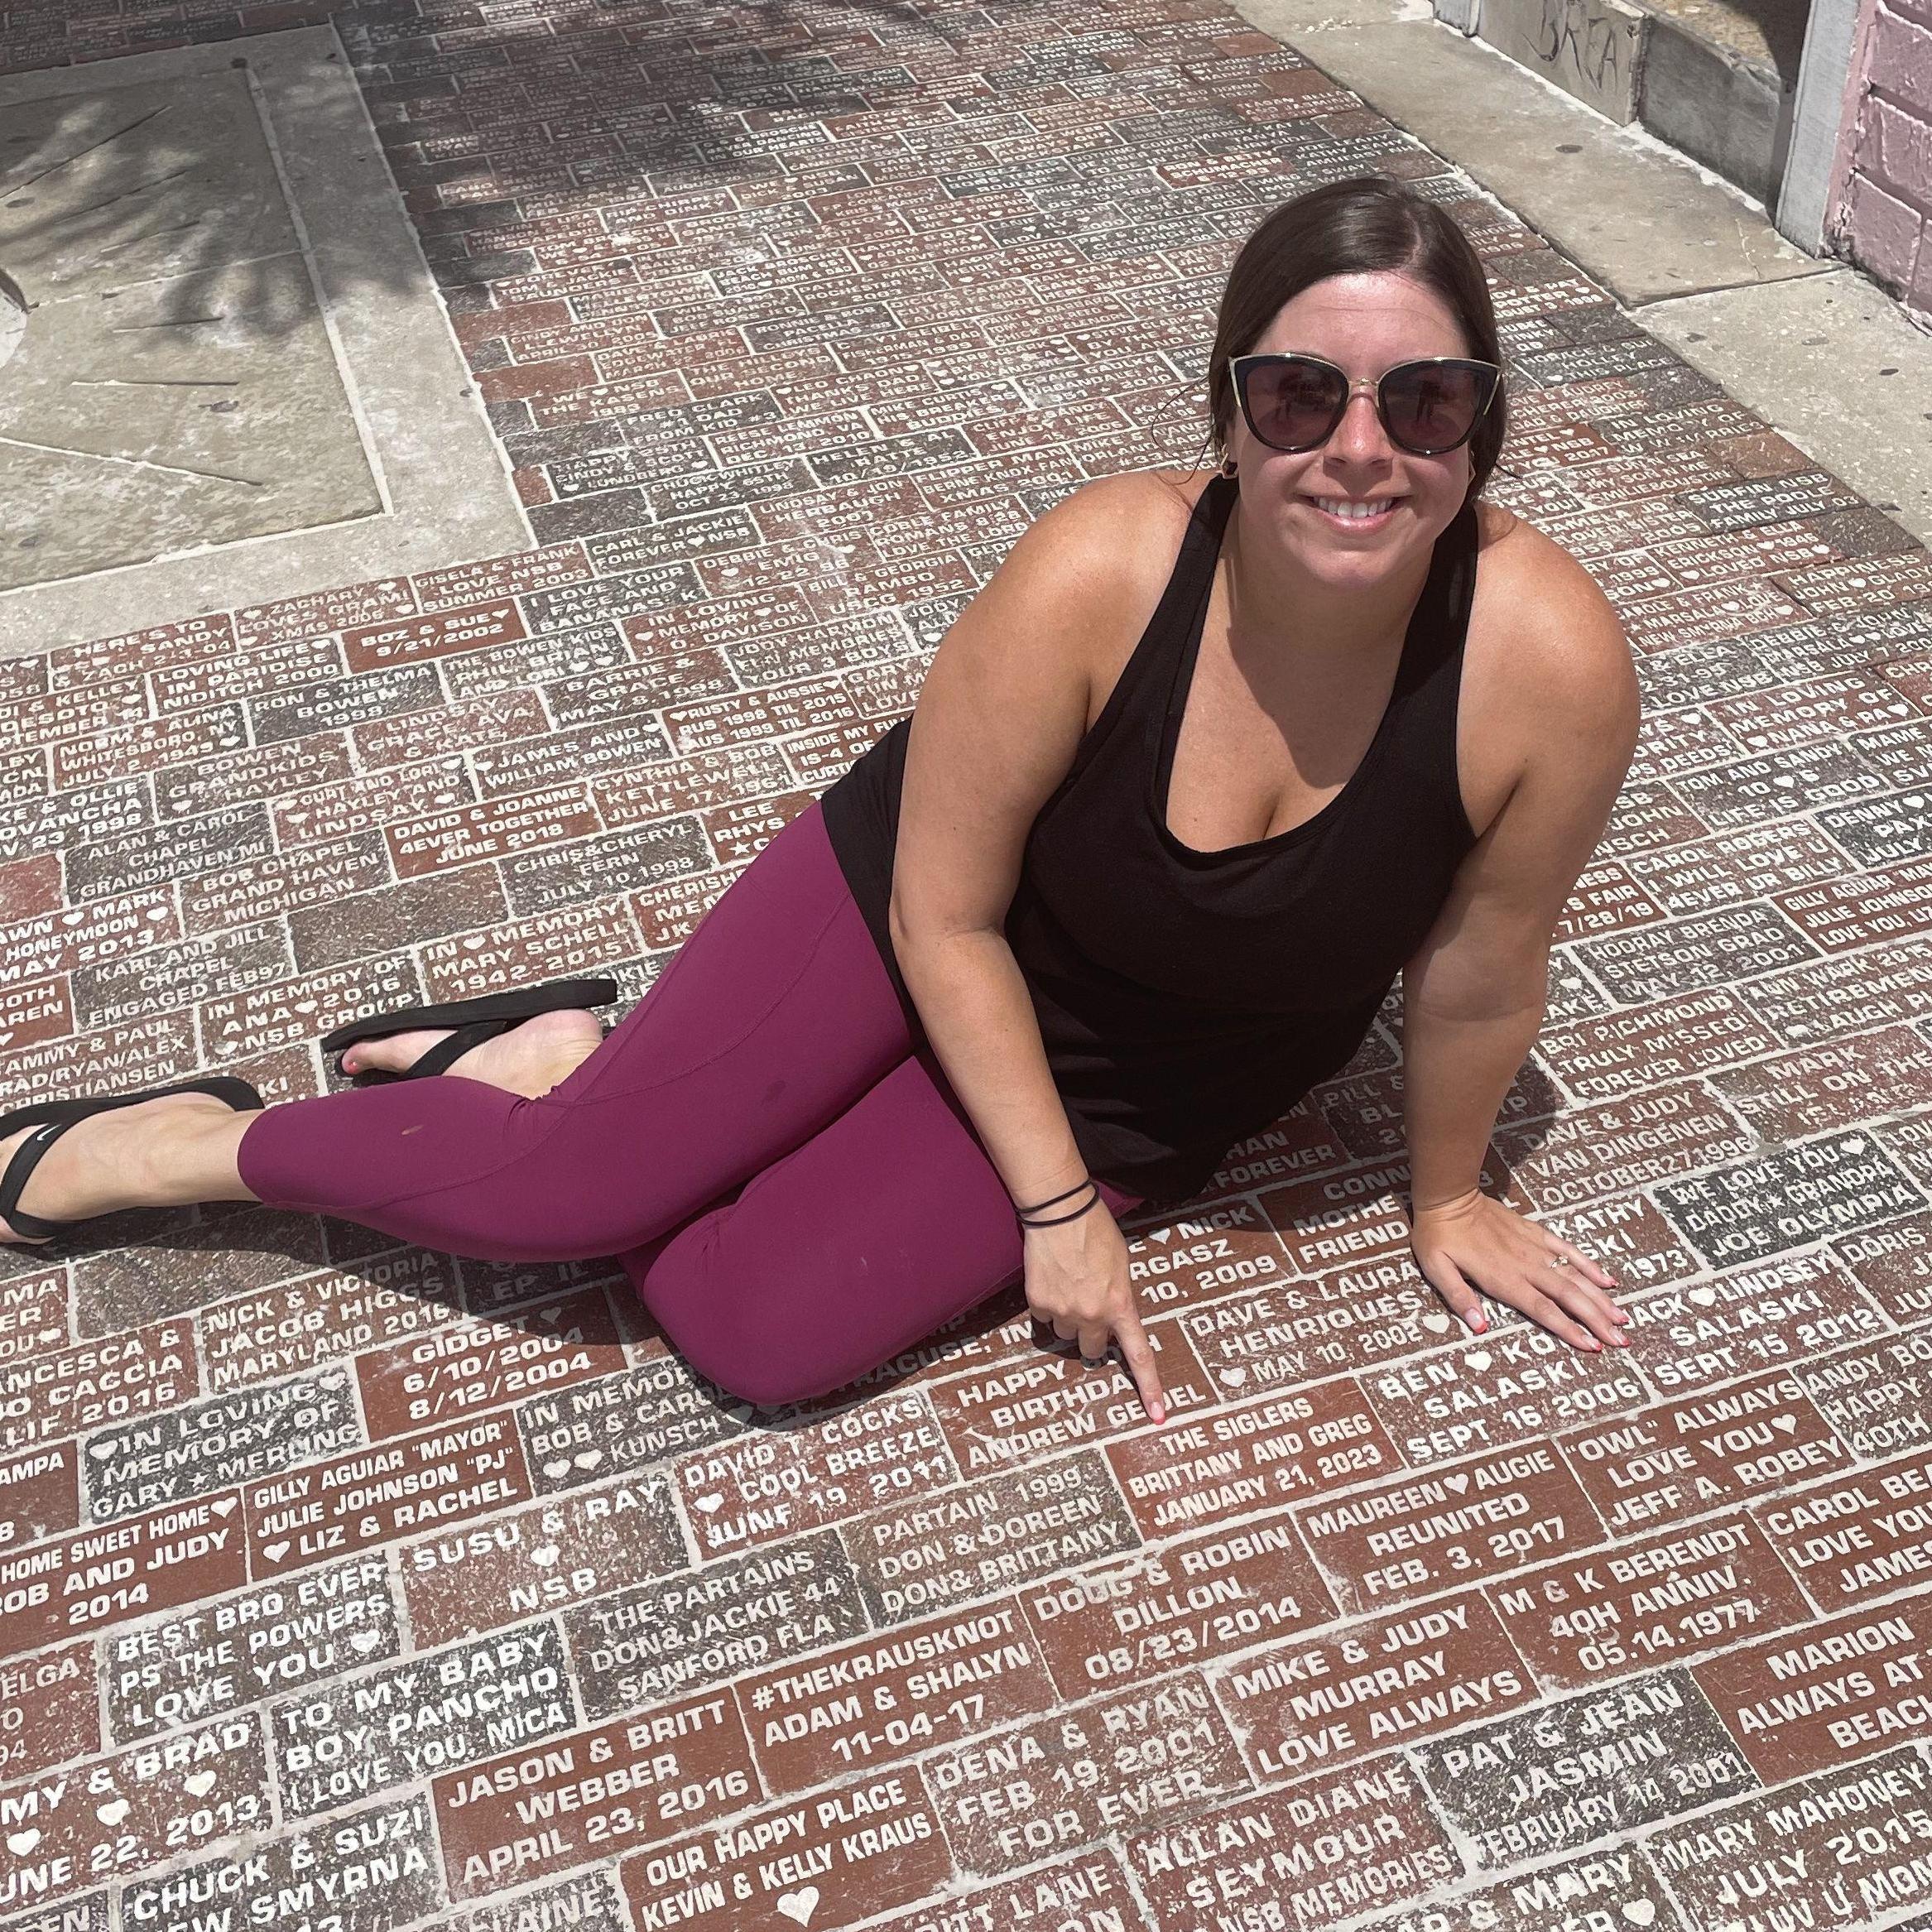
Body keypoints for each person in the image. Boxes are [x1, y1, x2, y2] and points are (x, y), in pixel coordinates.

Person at [0, 175, 1640, 1421]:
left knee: (754, 1332)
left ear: (1480, 427)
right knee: (567, 1193)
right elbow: (944, 907)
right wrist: (1052, 1215)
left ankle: (575, 1058)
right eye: (1301, 398)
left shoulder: (1545, 664)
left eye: (1424, 403)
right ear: (1226, 412)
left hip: (1158, 1076)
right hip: (920, 909)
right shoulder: (1102, 572)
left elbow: (1486, 965)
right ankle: (175, 1145)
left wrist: (1445, 1192)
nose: (1361, 451)